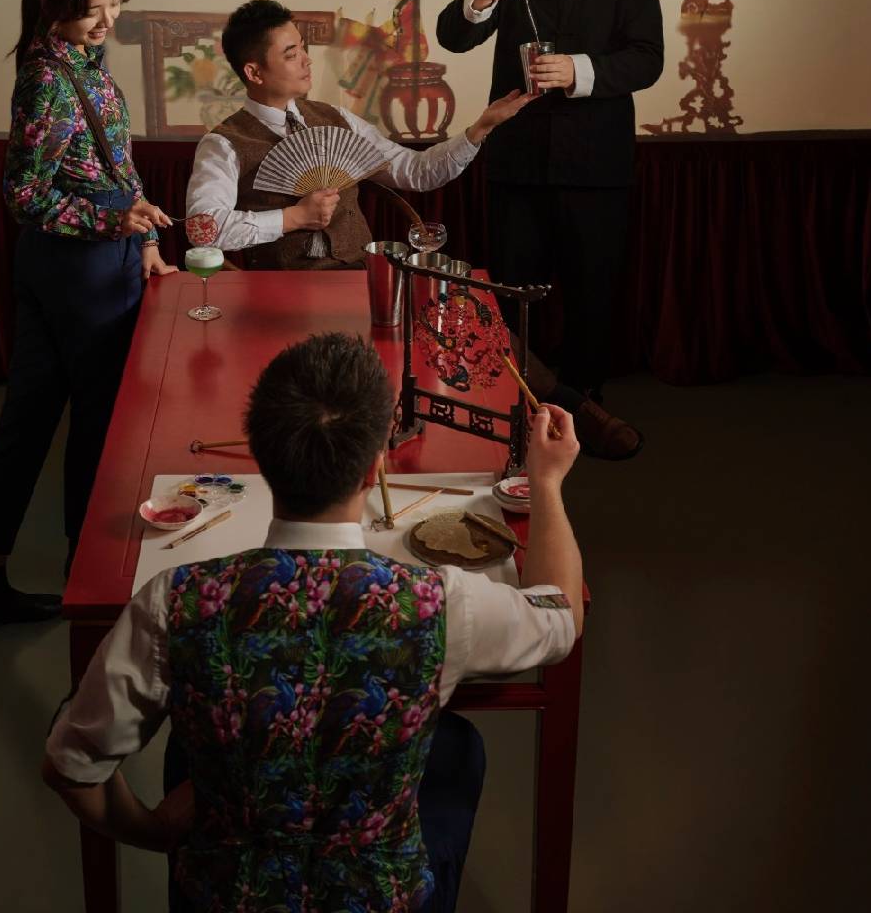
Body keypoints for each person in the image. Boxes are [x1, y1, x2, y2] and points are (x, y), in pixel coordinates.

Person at [43, 332, 582, 912]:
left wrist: (156, 831)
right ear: (374, 466)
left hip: (224, 896)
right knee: (457, 748)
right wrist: (546, 483)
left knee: (187, 749)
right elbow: (561, 614)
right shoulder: (440, 603)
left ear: (258, 453)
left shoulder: (172, 600)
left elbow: (71, 765)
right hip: (379, 899)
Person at [0, 0, 177, 632]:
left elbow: (117, 164)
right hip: (80, 268)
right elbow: (24, 197)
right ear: (54, 4)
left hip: (84, 259)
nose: (108, 19)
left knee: (28, 420)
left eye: (115, 3)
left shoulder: (80, 60)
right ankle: (86, 580)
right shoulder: (48, 78)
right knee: (95, 425)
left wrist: (145, 238)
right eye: (93, 9)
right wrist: (116, 225)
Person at [435, 0, 664, 457]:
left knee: (593, 292)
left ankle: (583, 407)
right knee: (512, 291)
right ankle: (513, 405)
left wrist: (578, 70)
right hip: (518, 163)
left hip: (597, 165)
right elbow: (452, 37)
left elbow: (647, 59)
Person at [186, 0, 535, 269]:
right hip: (282, 293)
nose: (307, 60)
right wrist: (292, 218)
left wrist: (480, 128)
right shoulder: (223, 144)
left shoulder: (337, 118)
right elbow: (202, 228)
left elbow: (417, 171)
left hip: (362, 279)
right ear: (254, 72)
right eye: (291, 55)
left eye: (303, 47)